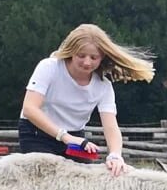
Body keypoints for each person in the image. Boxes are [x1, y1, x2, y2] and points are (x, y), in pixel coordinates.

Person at [18, 24, 155, 175]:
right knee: (46, 180)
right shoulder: (49, 67)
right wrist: (65, 137)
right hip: (37, 134)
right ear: (71, 52)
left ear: (102, 57)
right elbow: (30, 108)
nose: (87, 62)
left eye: (93, 57)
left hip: (75, 139)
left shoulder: (104, 86)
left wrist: (115, 155)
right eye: (81, 56)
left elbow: (111, 126)